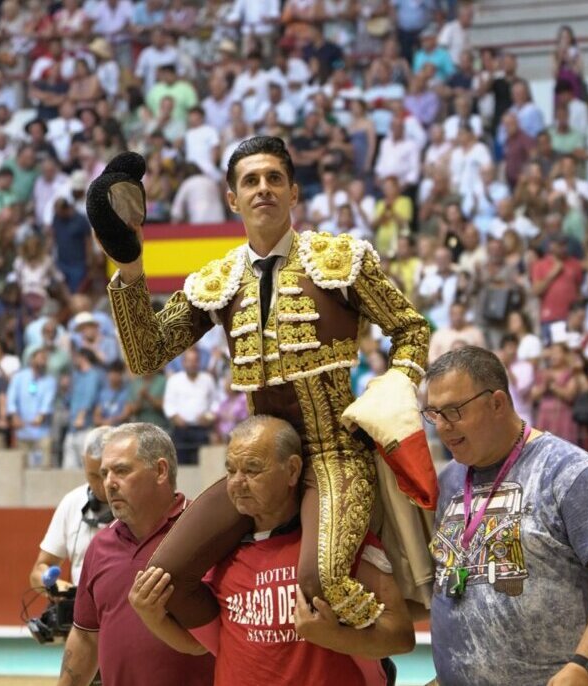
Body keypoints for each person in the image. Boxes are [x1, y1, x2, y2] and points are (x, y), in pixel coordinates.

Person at [90, 137, 432, 630]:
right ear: (233, 199)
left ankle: (373, 671)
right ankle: (242, 652)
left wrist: (397, 385)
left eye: (274, 178)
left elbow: (411, 328)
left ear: (294, 192)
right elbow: (145, 356)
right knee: (161, 578)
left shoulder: (338, 259)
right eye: (250, 181)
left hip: (336, 452)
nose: (263, 189)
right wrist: (129, 266)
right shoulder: (220, 279)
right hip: (256, 463)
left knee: (324, 582)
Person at [129, 415, 415, 684]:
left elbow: (401, 637)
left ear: (292, 470)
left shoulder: (337, 545)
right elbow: (197, 645)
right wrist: (151, 618)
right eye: (230, 470)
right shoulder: (220, 554)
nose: (237, 482)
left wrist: (334, 636)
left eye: (252, 469)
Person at [424, 346, 588, 685]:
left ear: (497, 403)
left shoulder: (569, 472)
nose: (442, 426)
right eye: (434, 413)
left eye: (454, 411)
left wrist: (584, 668)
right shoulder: (449, 481)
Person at [57, 423, 215, 686]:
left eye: (121, 471)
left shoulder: (204, 532)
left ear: (161, 471)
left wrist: (155, 618)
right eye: (104, 473)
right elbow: (86, 636)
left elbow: (209, 640)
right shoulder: (100, 545)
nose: (109, 483)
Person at [30, 426, 114, 594]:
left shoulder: (139, 504)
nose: (101, 486)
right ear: (84, 462)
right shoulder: (72, 502)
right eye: (93, 476)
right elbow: (37, 571)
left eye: (105, 475)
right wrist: (59, 588)